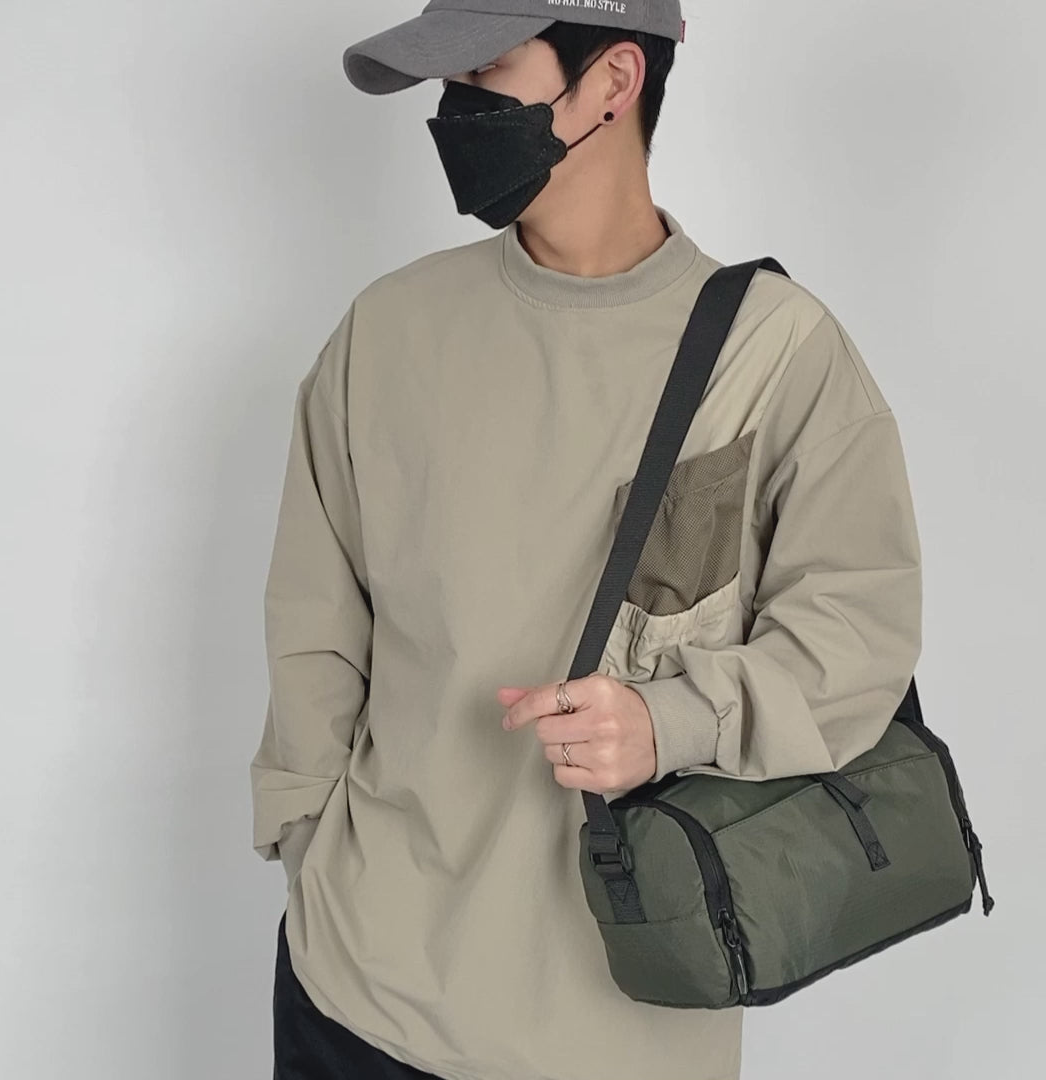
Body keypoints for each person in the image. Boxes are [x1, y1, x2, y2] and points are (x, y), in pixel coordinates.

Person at [251, 3, 924, 1079]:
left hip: (622, 1027)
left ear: (613, 81)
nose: (454, 109)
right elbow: (314, 623)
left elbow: (859, 641)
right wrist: (308, 849)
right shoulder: (386, 331)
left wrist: (671, 721)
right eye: (446, 78)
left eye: (485, 70)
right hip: (356, 995)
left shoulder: (777, 354)